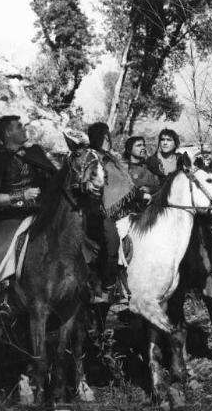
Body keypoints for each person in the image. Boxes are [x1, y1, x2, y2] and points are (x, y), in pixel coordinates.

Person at [0, 115, 56, 281]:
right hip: (11, 216)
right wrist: (21, 195)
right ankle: (1, 292)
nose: (24, 128)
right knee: (5, 254)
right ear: (8, 132)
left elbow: (53, 182)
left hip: (40, 212)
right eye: (19, 126)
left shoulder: (34, 153)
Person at [87, 122, 137, 303]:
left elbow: (124, 183)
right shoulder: (93, 158)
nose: (108, 141)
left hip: (124, 210)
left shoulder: (111, 158)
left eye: (108, 137)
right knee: (112, 241)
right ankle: (108, 284)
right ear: (97, 139)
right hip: (101, 211)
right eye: (104, 137)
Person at [123, 136, 160, 211]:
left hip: (153, 210)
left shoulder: (150, 167)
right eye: (139, 145)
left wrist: (150, 190)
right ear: (129, 150)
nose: (143, 147)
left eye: (143, 145)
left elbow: (160, 187)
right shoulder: (124, 169)